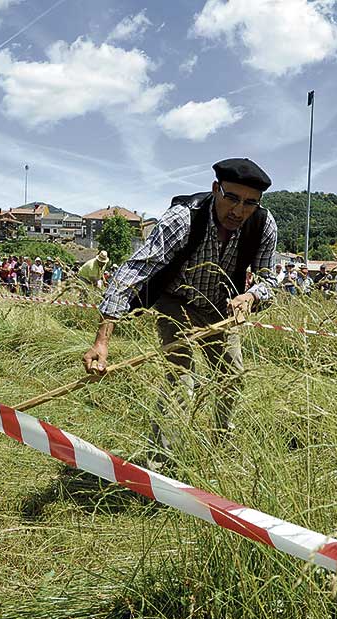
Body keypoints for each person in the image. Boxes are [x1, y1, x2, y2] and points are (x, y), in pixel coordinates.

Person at [84, 157, 278, 443]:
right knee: (181, 380)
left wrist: (250, 296)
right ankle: (162, 462)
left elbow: (269, 281)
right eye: (232, 198)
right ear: (215, 189)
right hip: (175, 302)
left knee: (232, 377)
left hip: (221, 309)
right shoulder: (183, 218)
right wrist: (102, 340)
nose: (238, 211)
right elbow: (135, 270)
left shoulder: (264, 225)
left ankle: (220, 444)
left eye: (250, 203)